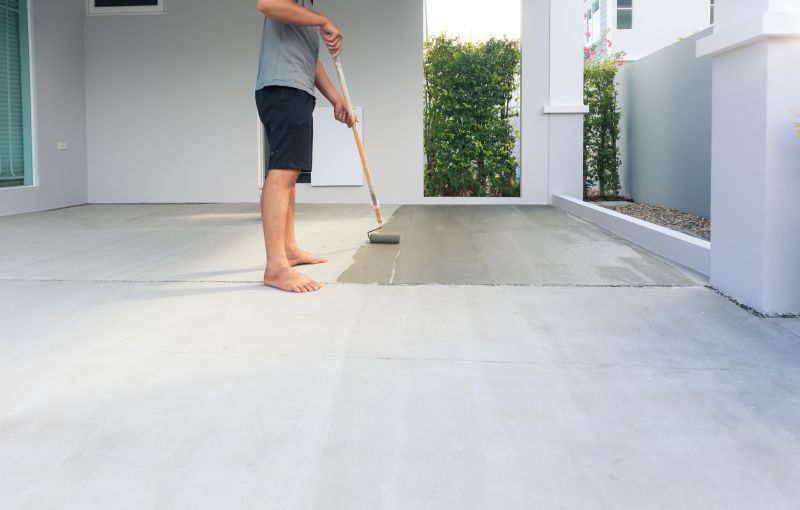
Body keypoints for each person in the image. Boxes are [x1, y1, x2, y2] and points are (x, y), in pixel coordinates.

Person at [255, 0, 355, 293]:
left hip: (295, 88)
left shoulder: (305, 11)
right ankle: (276, 267)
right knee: (283, 170)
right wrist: (323, 19)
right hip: (284, 89)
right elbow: (266, 3)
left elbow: (310, 61)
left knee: (290, 172)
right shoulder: (302, 10)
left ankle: (288, 249)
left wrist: (336, 98)